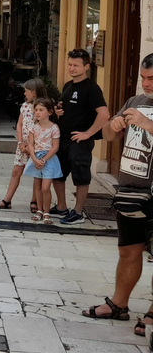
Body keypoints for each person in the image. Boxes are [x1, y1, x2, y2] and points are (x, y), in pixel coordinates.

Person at [81, 54, 153, 334]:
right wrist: (113, 126)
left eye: (152, 79)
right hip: (131, 189)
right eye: (143, 78)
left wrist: (147, 125)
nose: (146, 84)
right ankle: (119, 304)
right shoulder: (135, 102)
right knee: (128, 250)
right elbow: (109, 137)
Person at [51, 49, 109, 224]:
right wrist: (57, 110)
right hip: (62, 139)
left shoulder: (91, 88)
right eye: (70, 64)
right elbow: (65, 108)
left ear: (86, 67)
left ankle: (78, 212)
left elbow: (104, 114)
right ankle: (61, 206)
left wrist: (88, 134)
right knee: (58, 173)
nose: (72, 68)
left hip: (80, 141)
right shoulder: (68, 85)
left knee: (81, 176)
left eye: (76, 65)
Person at [0, 78, 48, 212]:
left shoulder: (42, 107)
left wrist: (31, 146)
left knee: (37, 174)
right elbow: (20, 124)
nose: (24, 94)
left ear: (34, 93)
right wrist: (20, 142)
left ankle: (34, 200)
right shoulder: (25, 106)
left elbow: (42, 127)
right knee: (16, 171)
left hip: (36, 146)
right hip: (23, 145)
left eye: (26, 91)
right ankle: (7, 199)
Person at [25, 99, 62, 224]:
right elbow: (30, 144)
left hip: (49, 159)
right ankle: (39, 210)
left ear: (50, 112)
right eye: (36, 110)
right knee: (38, 186)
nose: (37, 113)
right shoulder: (33, 127)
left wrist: (44, 159)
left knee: (46, 187)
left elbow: (55, 147)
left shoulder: (54, 128)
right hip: (36, 158)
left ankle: (47, 211)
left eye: (41, 110)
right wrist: (34, 159)